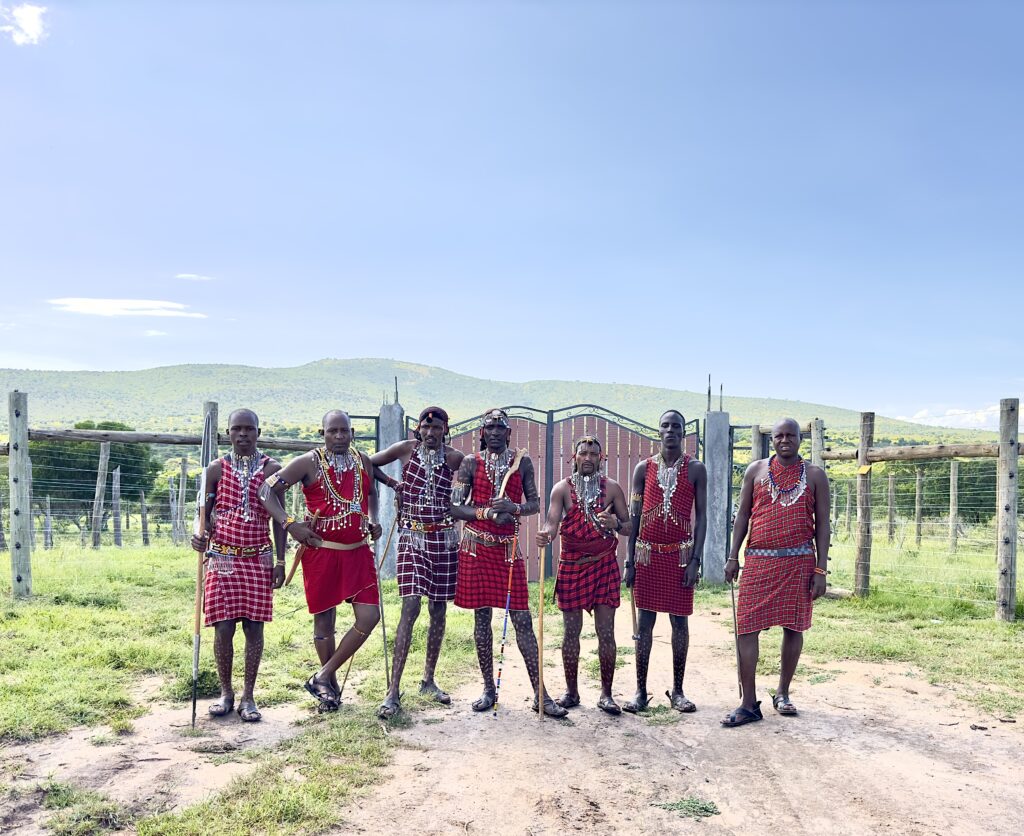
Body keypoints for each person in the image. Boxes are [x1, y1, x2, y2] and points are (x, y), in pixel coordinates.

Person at [259, 410, 383, 710]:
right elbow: (266, 491)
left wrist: (373, 519)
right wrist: (290, 524)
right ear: (322, 433)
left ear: (352, 432)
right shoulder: (307, 462)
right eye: (333, 431)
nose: (339, 437)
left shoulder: (362, 460)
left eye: (344, 431)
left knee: (369, 617)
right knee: (324, 622)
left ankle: (323, 675)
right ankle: (329, 689)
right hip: (321, 551)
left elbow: (372, 493)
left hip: (358, 552)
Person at [450, 408, 567, 718]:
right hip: (476, 549)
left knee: (522, 621)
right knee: (481, 619)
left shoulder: (522, 462)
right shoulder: (469, 463)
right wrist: (487, 513)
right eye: (490, 427)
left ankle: (540, 693)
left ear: (509, 433)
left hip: (507, 551)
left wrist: (514, 506)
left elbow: (534, 504)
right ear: (482, 432)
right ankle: (488, 688)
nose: (496, 432)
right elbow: (455, 507)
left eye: (501, 427)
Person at [722, 418, 830, 727]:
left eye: (790, 435)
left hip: (799, 562)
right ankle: (748, 702)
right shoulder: (755, 471)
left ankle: (782, 693)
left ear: (800, 439)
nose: (784, 440)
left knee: (794, 627)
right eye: (779, 436)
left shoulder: (815, 476)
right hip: (758, 561)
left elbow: (823, 525)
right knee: (746, 628)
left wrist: (820, 568)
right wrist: (733, 556)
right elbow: (742, 514)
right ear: (772, 441)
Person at [191, 409, 285, 722]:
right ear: (228, 433)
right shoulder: (215, 469)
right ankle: (226, 693)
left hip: (259, 558)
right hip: (222, 558)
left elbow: (280, 520)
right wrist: (198, 535)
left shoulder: (272, 468)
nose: (242, 434)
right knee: (224, 626)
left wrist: (281, 560)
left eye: (249, 429)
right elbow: (202, 512)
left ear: (258, 432)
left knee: (254, 627)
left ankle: (249, 696)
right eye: (236, 429)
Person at [371, 406, 464, 719]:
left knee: (438, 608)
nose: (431, 433)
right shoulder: (405, 450)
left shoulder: (455, 459)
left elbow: (473, 486)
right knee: (410, 605)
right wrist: (394, 485)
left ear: (444, 430)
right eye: (426, 428)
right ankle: (392, 691)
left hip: (444, 539)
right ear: (418, 430)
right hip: (412, 536)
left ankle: (428, 680)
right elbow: (368, 464)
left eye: (437, 428)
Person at [536, 435, 632, 714]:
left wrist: (615, 522)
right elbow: (552, 522)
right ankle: (572, 692)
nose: (588, 458)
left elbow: (627, 527)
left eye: (593, 454)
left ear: (600, 458)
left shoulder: (612, 489)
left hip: (604, 566)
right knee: (571, 633)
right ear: (574, 458)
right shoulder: (562, 489)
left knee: (606, 632)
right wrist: (546, 535)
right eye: (583, 453)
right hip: (573, 566)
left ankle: (606, 694)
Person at [623, 410, 707, 714]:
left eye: (676, 426)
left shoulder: (696, 469)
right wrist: (629, 560)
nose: (670, 430)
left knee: (679, 622)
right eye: (665, 425)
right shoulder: (642, 470)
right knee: (644, 622)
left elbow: (702, 519)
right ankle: (640, 691)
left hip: (681, 556)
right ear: (658, 431)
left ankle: (679, 691)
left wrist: (696, 560)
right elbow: (633, 517)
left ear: (683, 432)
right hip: (647, 555)